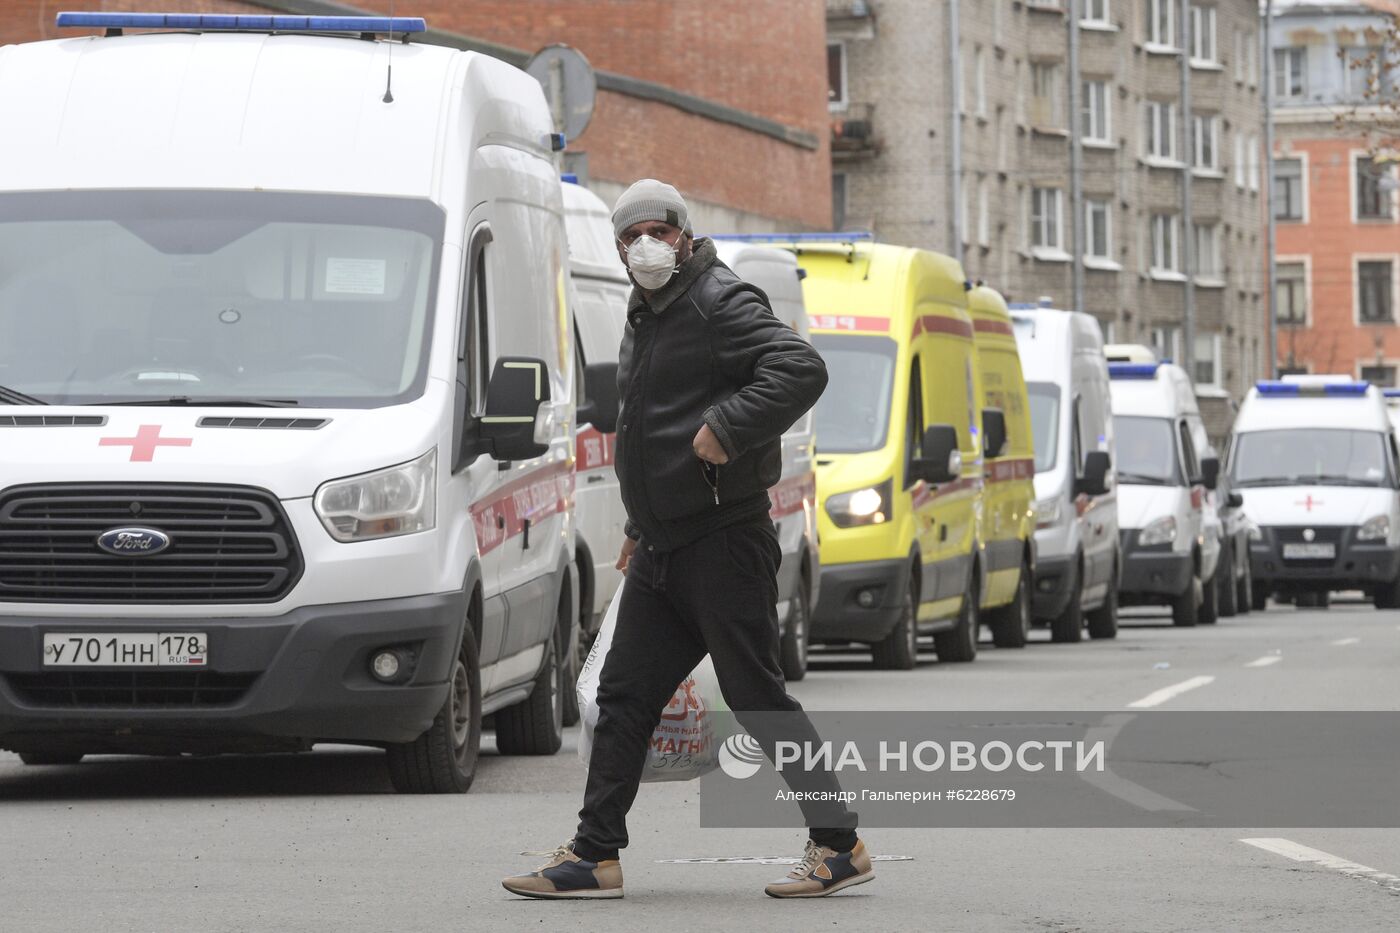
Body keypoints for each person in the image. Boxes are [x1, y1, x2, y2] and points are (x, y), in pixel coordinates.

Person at [503, 179, 870, 900]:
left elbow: (801, 367)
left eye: (657, 231)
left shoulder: (717, 301)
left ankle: (840, 843)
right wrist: (641, 524)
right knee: (622, 692)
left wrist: (729, 427)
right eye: (630, 235)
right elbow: (649, 425)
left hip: (725, 539)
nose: (644, 245)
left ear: (684, 235)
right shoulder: (648, 310)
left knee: (755, 694)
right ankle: (594, 853)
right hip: (666, 544)